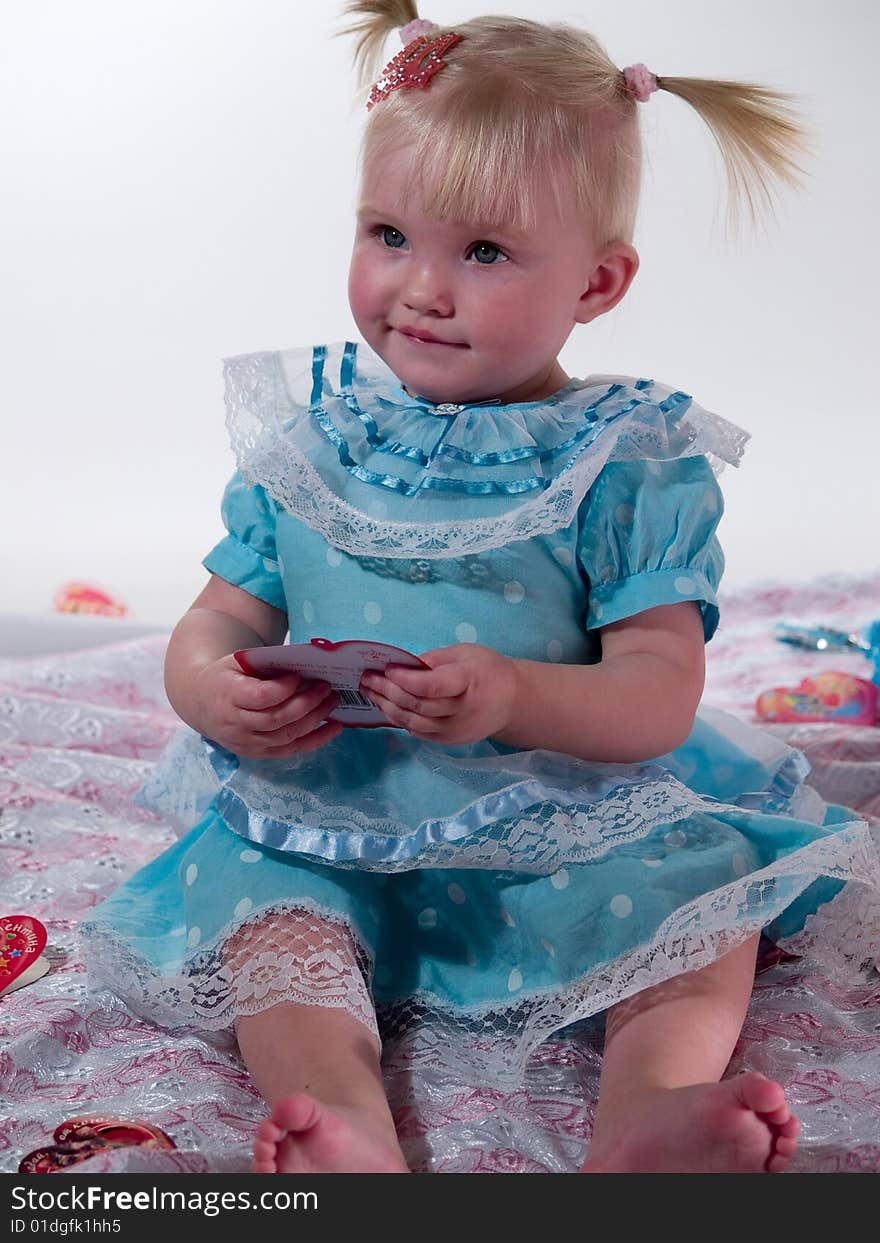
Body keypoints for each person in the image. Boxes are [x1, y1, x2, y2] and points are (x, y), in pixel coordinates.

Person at [80, 1, 880, 1175]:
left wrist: (516, 695)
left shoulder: (624, 458)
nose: (420, 288)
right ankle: (340, 1117)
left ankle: (647, 1111)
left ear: (598, 282)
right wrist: (210, 690)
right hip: (330, 812)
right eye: (388, 233)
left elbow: (657, 690)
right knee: (272, 935)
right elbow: (219, 617)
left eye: (485, 252)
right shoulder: (314, 443)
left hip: (563, 816)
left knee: (701, 912)